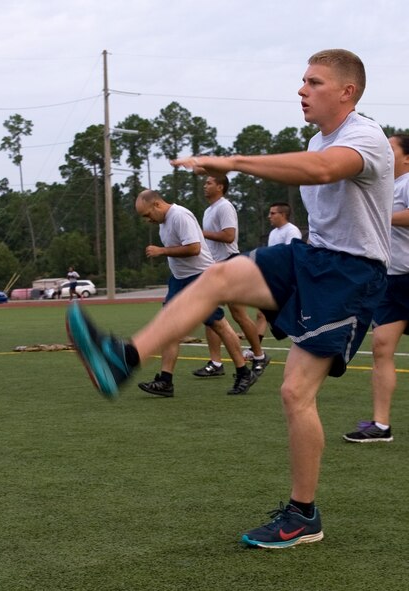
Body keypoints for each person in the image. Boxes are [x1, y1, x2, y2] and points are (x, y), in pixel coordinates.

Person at [66, 49, 393, 549]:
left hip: (351, 275)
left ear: (347, 91)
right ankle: (122, 358)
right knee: (217, 280)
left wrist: (235, 161)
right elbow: (316, 161)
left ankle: (304, 515)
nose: (302, 90)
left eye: (314, 82)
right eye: (302, 80)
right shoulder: (316, 137)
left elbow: (325, 170)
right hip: (313, 258)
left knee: (294, 394)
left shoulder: (365, 137)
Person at [134, 189, 258, 397]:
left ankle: (243, 372)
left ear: (156, 205)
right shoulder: (164, 223)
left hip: (201, 278)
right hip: (180, 281)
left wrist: (162, 251)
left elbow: (194, 248)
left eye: (147, 214)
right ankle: (165, 381)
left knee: (218, 324)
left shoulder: (180, 215)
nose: (147, 220)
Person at [344, 134, 409, 443]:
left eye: (391, 148)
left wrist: (379, 217)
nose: (384, 151)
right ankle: (381, 426)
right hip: (392, 281)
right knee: (381, 346)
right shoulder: (385, 187)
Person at [192, 174, 270, 378]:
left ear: (220, 186)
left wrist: (201, 233)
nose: (205, 186)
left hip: (228, 263)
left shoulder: (224, 207)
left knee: (239, 315)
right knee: (211, 316)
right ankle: (216, 363)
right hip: (214, 266)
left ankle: (259, 356)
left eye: (209, 183)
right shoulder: (209, 210)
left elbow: (229, 236)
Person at [243, 202, 302, 360]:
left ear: (283, 215)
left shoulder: (292, 231)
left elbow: (292, 255)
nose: (269, 216)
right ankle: (255, 349)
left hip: (287, 280)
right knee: (262, 313)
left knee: (293, 314)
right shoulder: (273, 233)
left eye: (273, 213)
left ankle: (305, 344)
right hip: (273, 278)